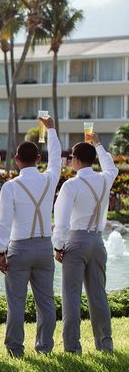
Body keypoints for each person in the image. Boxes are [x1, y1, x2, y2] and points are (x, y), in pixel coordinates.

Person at [0, 116, 61, 357]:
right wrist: (51, 130)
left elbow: (3, 222)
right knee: (46, 303)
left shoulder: (10, 187)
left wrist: (0, 251)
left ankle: (15, 349)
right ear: (38, 159)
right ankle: (44, 348)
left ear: (16, 160)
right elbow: (56, 160)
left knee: (16, 303)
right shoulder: (49, 179)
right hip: (45, 248)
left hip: (19, 249)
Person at [53, 134, 119, 354]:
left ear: (77, 160)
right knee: (98, 295)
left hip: (76, 241)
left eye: (71, 157)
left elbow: (61, 222)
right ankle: (105, 344)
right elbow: (112, 167)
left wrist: (58, 246)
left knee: (71, 295)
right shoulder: (104, 179)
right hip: (97, 242)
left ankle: (72, 347)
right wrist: (98, 144)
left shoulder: (71, 185)